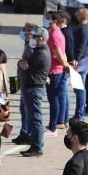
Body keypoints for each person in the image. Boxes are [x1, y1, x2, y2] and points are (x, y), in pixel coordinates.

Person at [17, 27, 50, 157]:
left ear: (41, 39)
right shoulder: (39, 50)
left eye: (36, 37)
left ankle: (37, 147)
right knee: (34, 118)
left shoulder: (41, 53)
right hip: (32, 86)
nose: (34, 40)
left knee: (36, 118)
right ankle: (35, 145)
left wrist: (20, 63)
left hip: (34, 88)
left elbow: (25, 64)